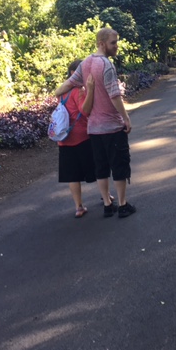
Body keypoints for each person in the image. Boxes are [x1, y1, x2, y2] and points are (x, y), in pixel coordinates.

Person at [55, 28, 136, 219]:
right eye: (113, 43)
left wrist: (57, 92)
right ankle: (122, 205)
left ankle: (108, 205)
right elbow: (114, 95)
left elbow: (70, 83)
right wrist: (126, 117)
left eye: (116, 42)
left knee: (101, 167)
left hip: (94, 129)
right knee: (119, 165)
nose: (116, 46)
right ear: (102, 43)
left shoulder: (86, 63)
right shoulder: (106, 65)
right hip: (112, 126)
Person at [57, 59, 111, 218]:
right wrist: (91, 90)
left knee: (72, 174)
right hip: (82, 135)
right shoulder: (78, 91)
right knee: (98, 167)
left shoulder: (61, 91)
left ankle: (78, 207)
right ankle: (106, 197)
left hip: (64, 137)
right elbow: (85, 110)